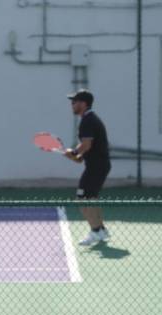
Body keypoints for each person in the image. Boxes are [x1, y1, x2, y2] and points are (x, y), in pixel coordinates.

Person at [64, 89, 112, 246]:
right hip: (98, 166)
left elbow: (86, 144)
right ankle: (101, 230)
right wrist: (75, 156)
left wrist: (75, 151)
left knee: (82, 199)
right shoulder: (90, 119)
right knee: (91, 198)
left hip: (96, 167)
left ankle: (96, 231)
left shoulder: (88, 121)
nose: (72, 104)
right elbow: (84, 153)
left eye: (74, 102)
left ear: (83, 104)